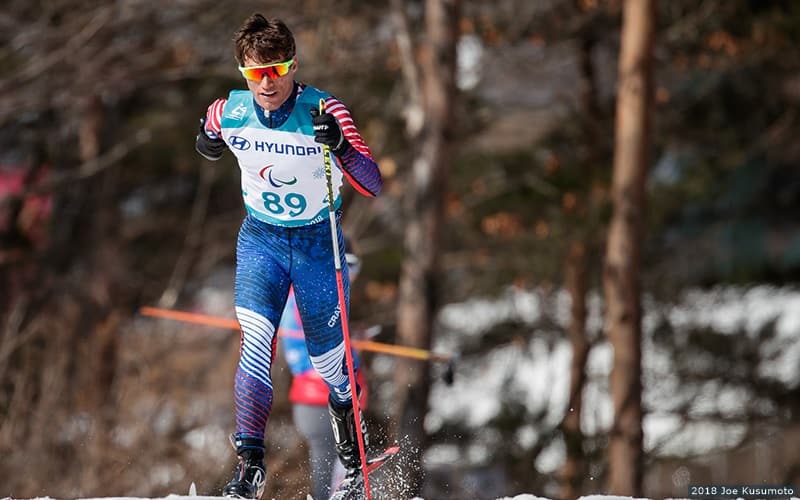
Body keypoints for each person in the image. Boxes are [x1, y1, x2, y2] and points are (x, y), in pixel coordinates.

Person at [194, 14, 382, 499]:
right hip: (263, 241)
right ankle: (249, 468)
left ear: (293, 65)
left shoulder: (325, 108)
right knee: (257, 344)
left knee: (330, 364)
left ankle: (352, 454)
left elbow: (372, 183)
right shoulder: (228, 110)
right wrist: (207, 140)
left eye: (277, 69)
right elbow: (208, 137)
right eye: (256, 73)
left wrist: (341, 147)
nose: (267, 83)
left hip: (318, 245)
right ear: (243, 72)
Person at [279, 248, 367, 500]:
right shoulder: (314, 292)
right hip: (320, 397)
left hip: (319, 396)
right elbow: (318, 345)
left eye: (356, 268)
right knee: (334, 471)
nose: (352, 276)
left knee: (340, 469)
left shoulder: (316, 292)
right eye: (349, 267)